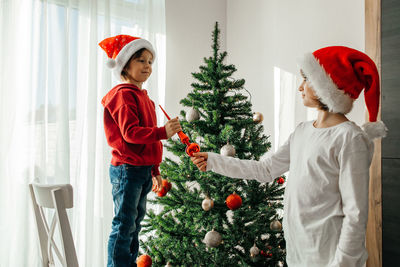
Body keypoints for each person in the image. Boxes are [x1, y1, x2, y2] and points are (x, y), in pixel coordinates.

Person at [191, 46, 387, 267]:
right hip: (298, 251)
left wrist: (343, 263)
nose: (300, 87)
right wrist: (215, 161)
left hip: (329, 255)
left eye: (307, 79)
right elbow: (266, 170)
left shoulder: (349, 138)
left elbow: (356, 212)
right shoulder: (303, 131)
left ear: (328, 86)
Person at [99, 35, 182, 267]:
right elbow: (131, 133)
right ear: (125, 65)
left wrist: (155, 169)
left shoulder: (144, 98)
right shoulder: (124, 95)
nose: (147, 66)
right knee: (124, 225)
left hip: (142, 170)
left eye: (150, 62)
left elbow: (149, 142)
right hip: (127, 170)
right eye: (141, 60)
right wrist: (162, 132)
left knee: (134, 224)